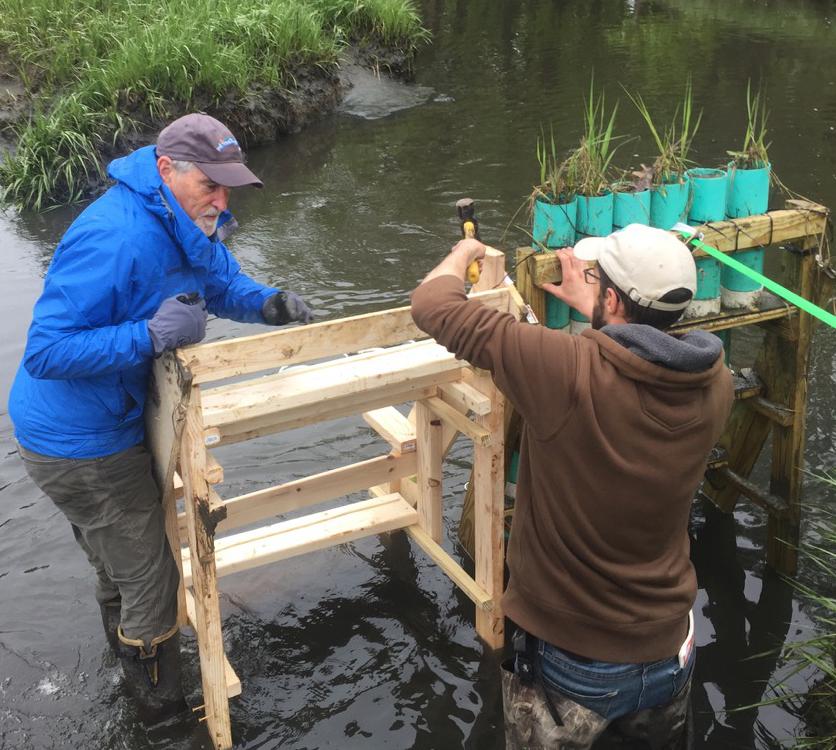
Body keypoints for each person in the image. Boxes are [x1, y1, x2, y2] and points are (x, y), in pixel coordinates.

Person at [8, 113, 313, 721]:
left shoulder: (189, 218)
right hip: (78, 441)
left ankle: (126, 653)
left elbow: (220, 284)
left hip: (116, 419)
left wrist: (268, 304)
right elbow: (46, 351)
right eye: (212, 187)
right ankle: (161, 717)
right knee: (153, 577)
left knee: (122, 560)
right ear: (167, 170)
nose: (222, 202)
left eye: (229, 188)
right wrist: (147, 336)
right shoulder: (113, 237)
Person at [410, 224, 734, 749]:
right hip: (669, 647)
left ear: (611, 296)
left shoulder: (565, 371)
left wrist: (462, 251)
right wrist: (604, 315)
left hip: (574, 662)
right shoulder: (717, 386)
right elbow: (641, 367)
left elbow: (432, 305)